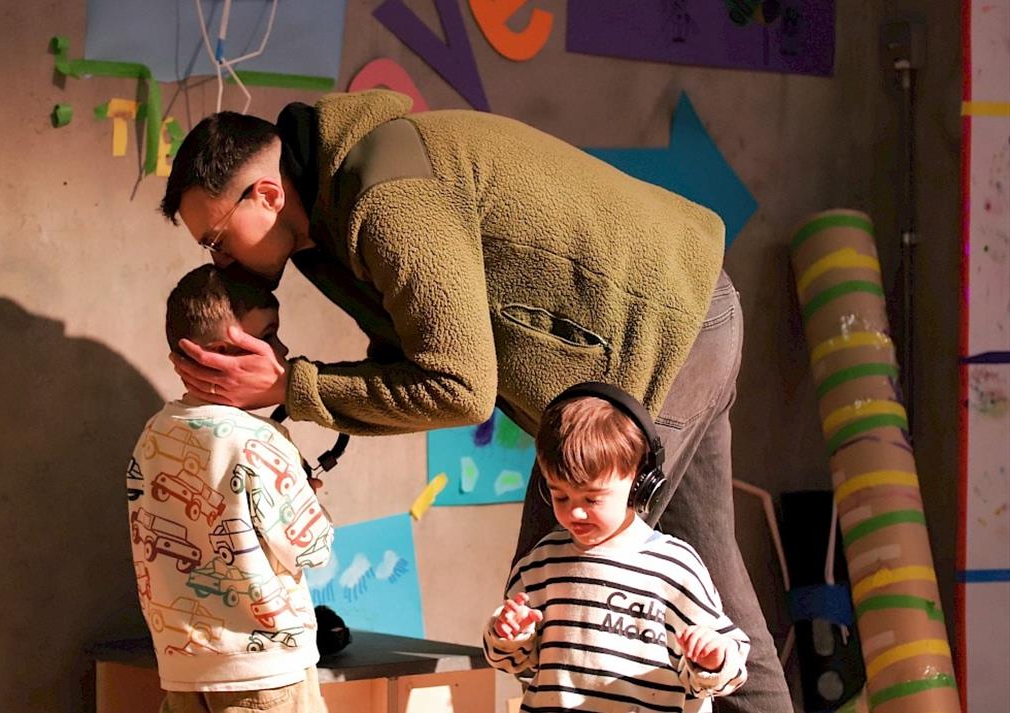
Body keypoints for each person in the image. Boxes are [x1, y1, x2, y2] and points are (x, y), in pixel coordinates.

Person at [158, 89, 791, 713]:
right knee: (712, 597)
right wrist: (293, 389)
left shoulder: (386, 198)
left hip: (661, 328)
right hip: (685, 315)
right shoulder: (329, 223)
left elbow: (459, 386)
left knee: (556, 585)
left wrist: (290, 386)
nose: (220, 257)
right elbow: (409, 361)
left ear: (266, 195)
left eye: (216, 238)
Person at [127, 265, 333, 713]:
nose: (283, 349)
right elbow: (310, 549)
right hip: (267, 675)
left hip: (184, 670)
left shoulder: (153, 435)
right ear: (223, 352)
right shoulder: (260, 440)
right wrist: (308, 498)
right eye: (271, 335)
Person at [484, 382, 748, 712]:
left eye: (592, 498)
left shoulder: (675, 568)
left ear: (641, 484)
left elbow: (729, 667)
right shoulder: (539, 565)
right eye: (560, 495)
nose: (575, 511)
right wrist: (509, 636)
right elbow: (519, 666)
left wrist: (713, 658)